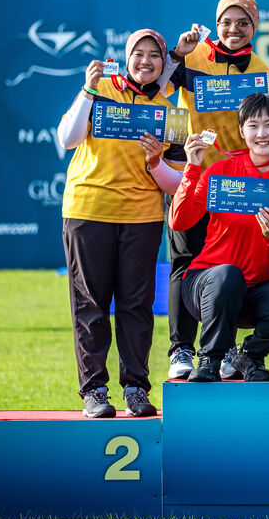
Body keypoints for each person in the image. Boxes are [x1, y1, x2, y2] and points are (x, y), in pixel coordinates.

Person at [57, 29, 183, 418]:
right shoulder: (100, 90)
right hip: (88, 210)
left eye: (154, 55)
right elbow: (67, 138)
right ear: (126, 59)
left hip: (141, 217)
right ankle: (94, 392)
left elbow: (177, 182)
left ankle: (135, 390)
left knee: (136, 306)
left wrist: (154, 161)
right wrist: (87, 90)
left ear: (163, 64)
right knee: (91, 305)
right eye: (138, 54)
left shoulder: (168, 112)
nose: (145, 61)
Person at [162, 0, 269, 382]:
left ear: (254, 27)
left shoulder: (262, 70)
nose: (234, 30)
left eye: (243, 23)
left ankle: (224, 348)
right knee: (184, 262)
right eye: (226, 22)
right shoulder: (194, 54)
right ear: (216, 25)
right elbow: (158, 87)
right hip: (192, 175)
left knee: (226, 269)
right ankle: (180, 348)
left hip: (236, 186)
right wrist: (176, 56)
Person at [168, 93, 269, 383]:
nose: (262, 133)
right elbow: (180, 221)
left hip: (256, 287)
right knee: (228, 275)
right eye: (253, 125)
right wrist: (192, 167)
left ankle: (250, 356)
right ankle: (210, 359)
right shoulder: (220, 172)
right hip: (207, 284)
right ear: (241, 131)